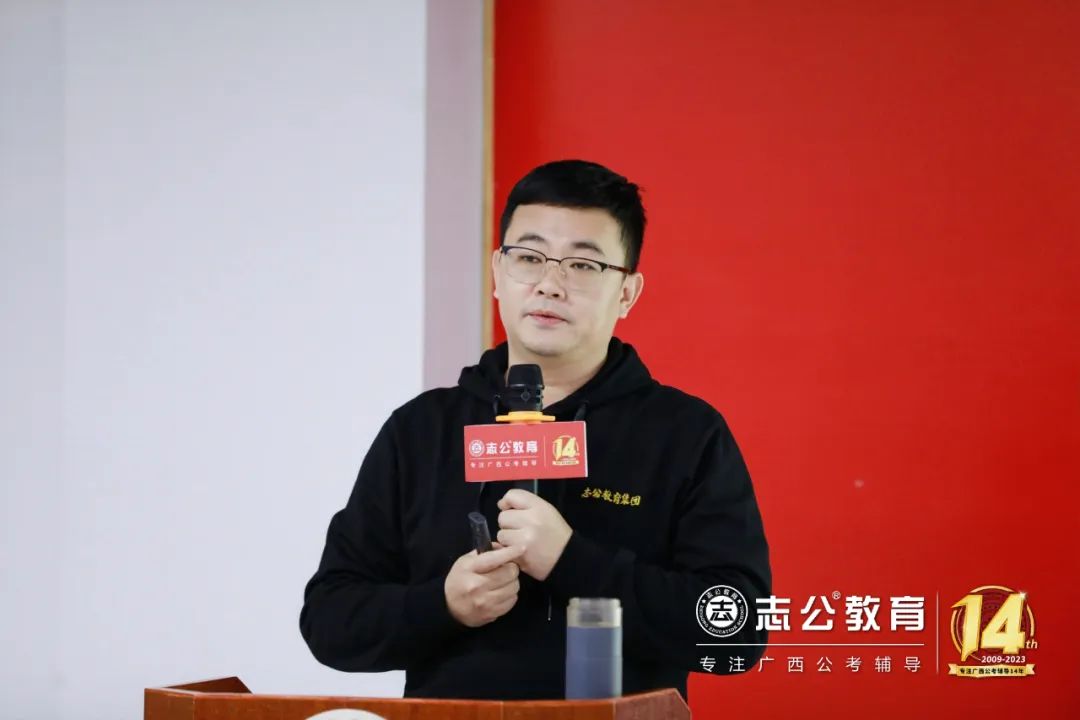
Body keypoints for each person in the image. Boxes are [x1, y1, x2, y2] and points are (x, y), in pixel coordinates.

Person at [299, 159, 771, 700]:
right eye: (529, 258)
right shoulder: (421, 430)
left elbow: (738, 635)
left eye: (583, 265)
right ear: (498, 272)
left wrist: (572, 561)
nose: (550, 284)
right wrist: (443, 604)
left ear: (627, 292)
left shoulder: (685, 434)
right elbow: (330, 621)